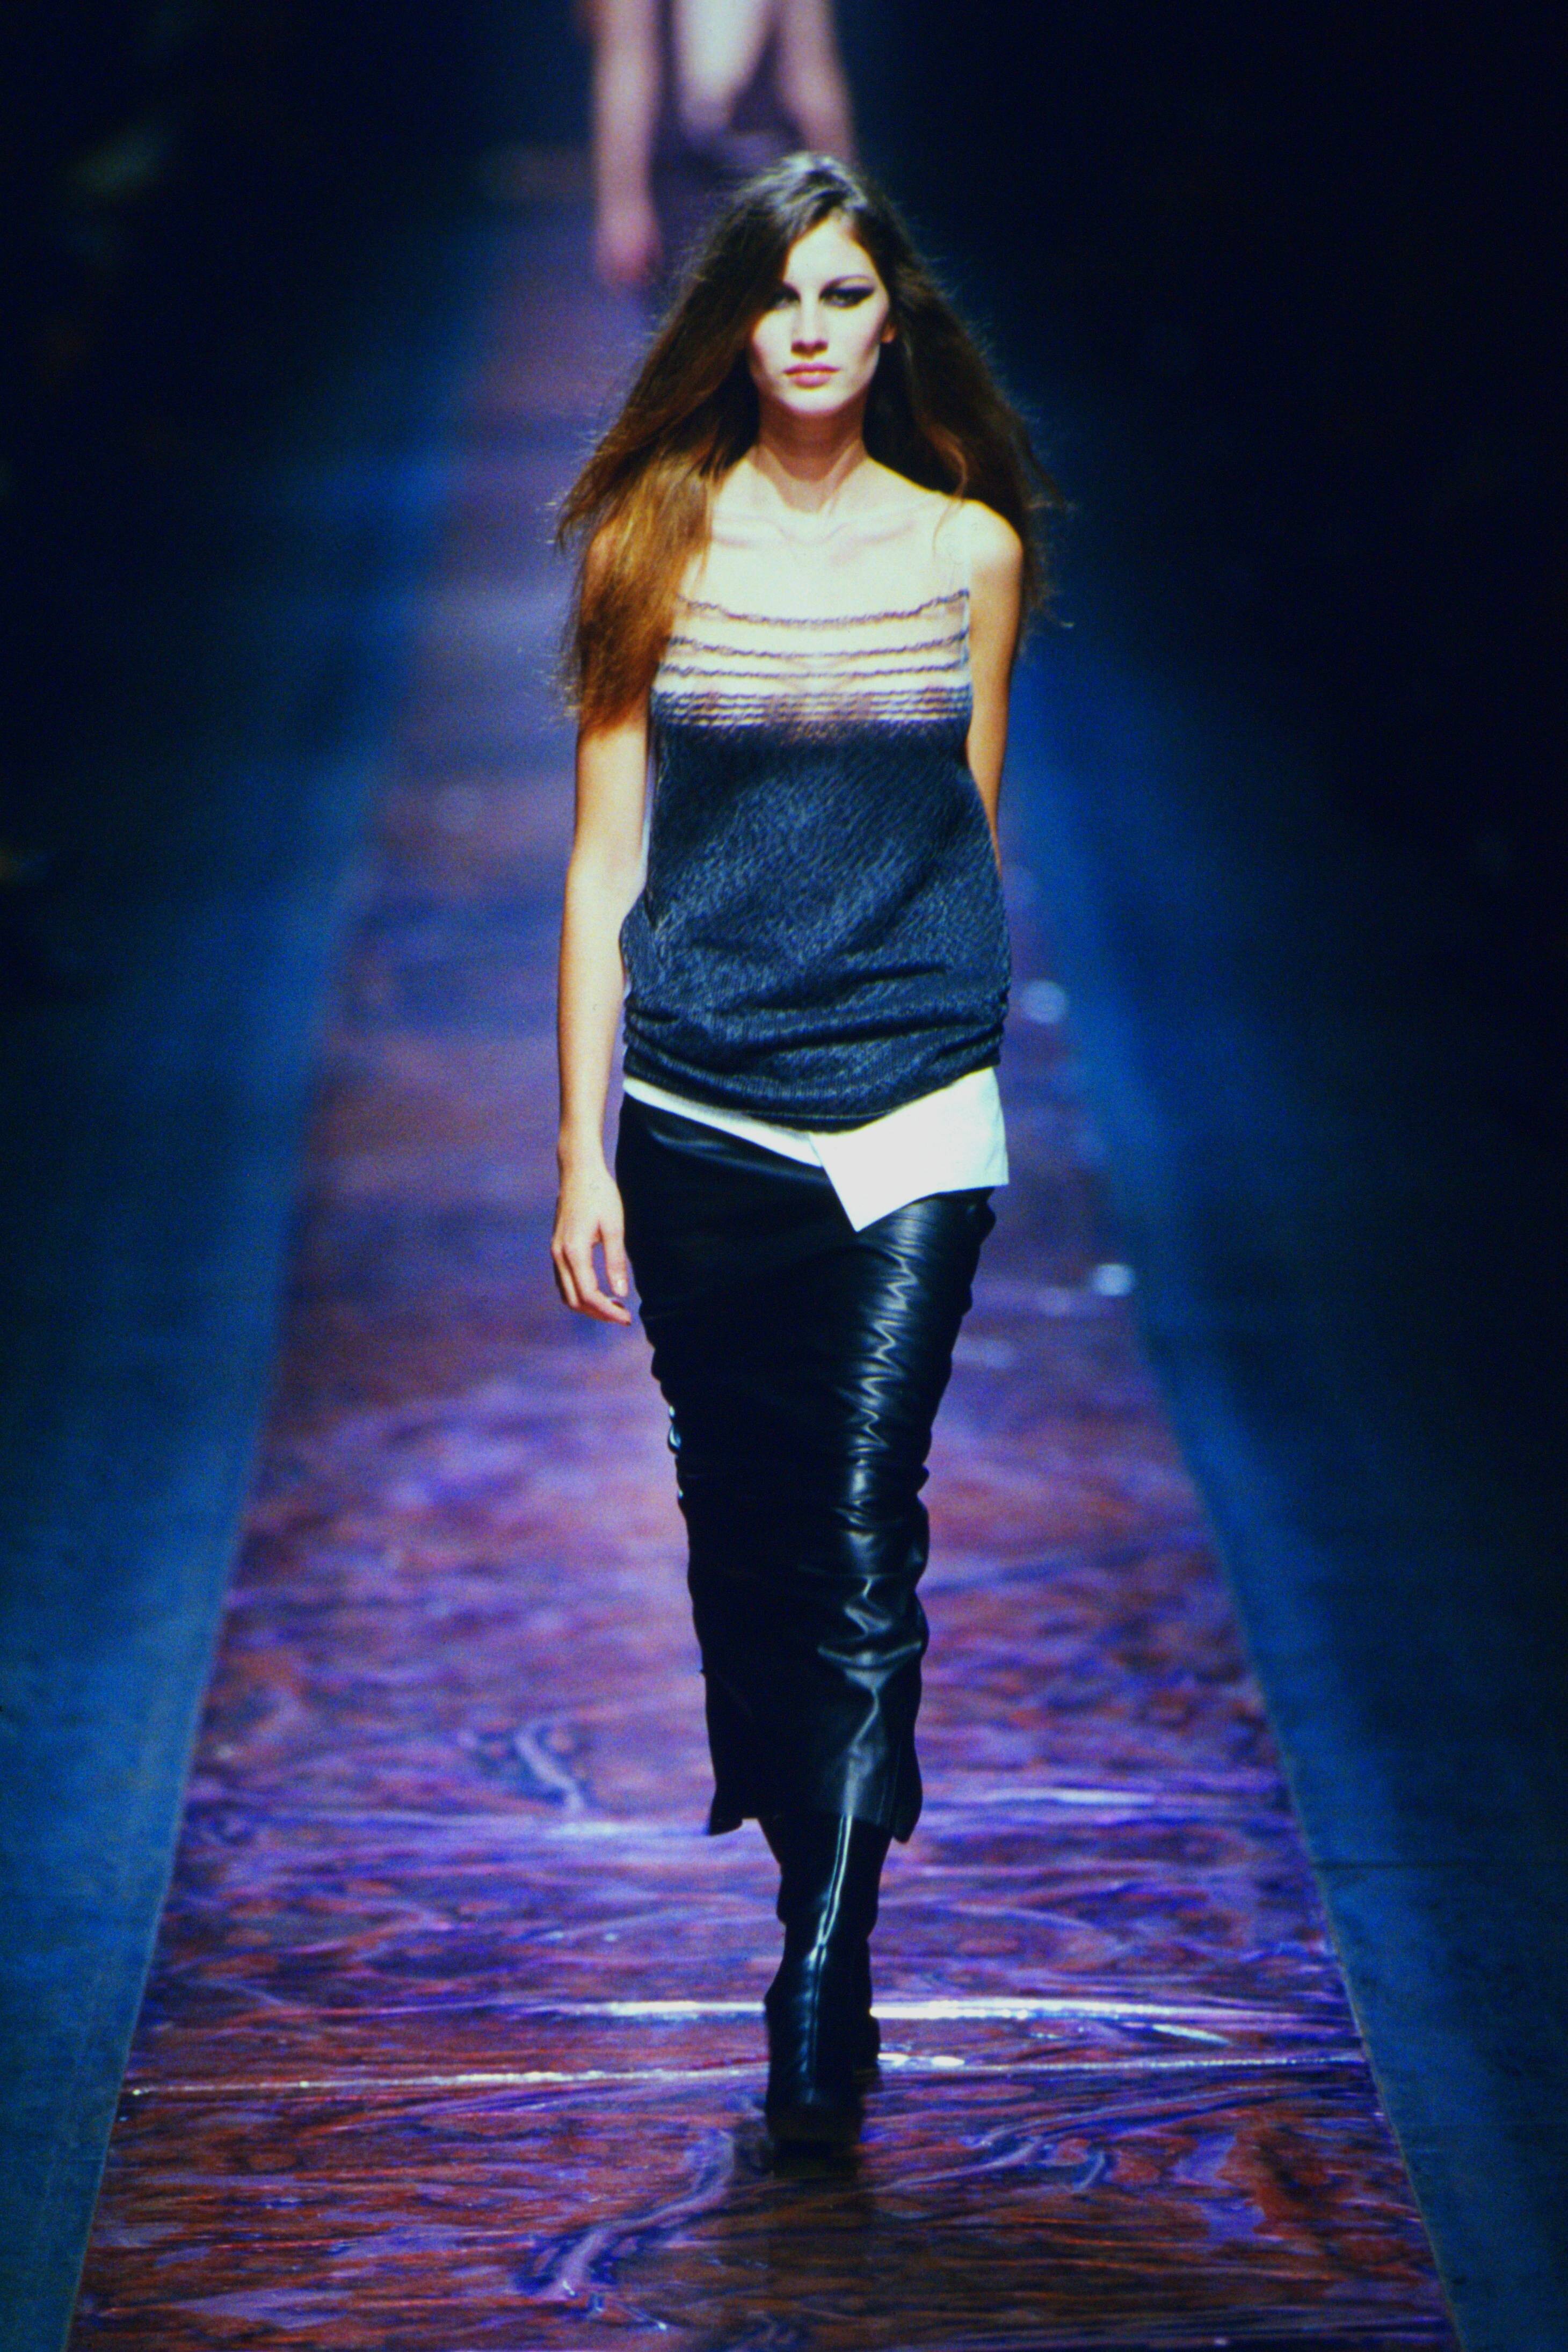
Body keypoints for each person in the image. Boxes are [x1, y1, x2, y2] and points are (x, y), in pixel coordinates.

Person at [551, 153, 1055, 2146]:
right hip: (696, 1107)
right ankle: (812, 1847)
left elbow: (967, 834)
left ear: (892, 317)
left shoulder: (968, 552)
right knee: (746, 1535)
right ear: (734, 326)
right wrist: (580, 1150)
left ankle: (826, 1947)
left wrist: (949, 1024)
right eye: (782, 296)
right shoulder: (648, 545)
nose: (817, 328)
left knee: (855, 1523)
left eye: (849, 294)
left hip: (913, 1106)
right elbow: (603, 863)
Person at [583, 0, 854, 288]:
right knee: (685, 304)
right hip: (678, 181)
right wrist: (623, 204)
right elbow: (628, 68)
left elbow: (811, 72)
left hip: (767, 169)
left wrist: (842, 199)